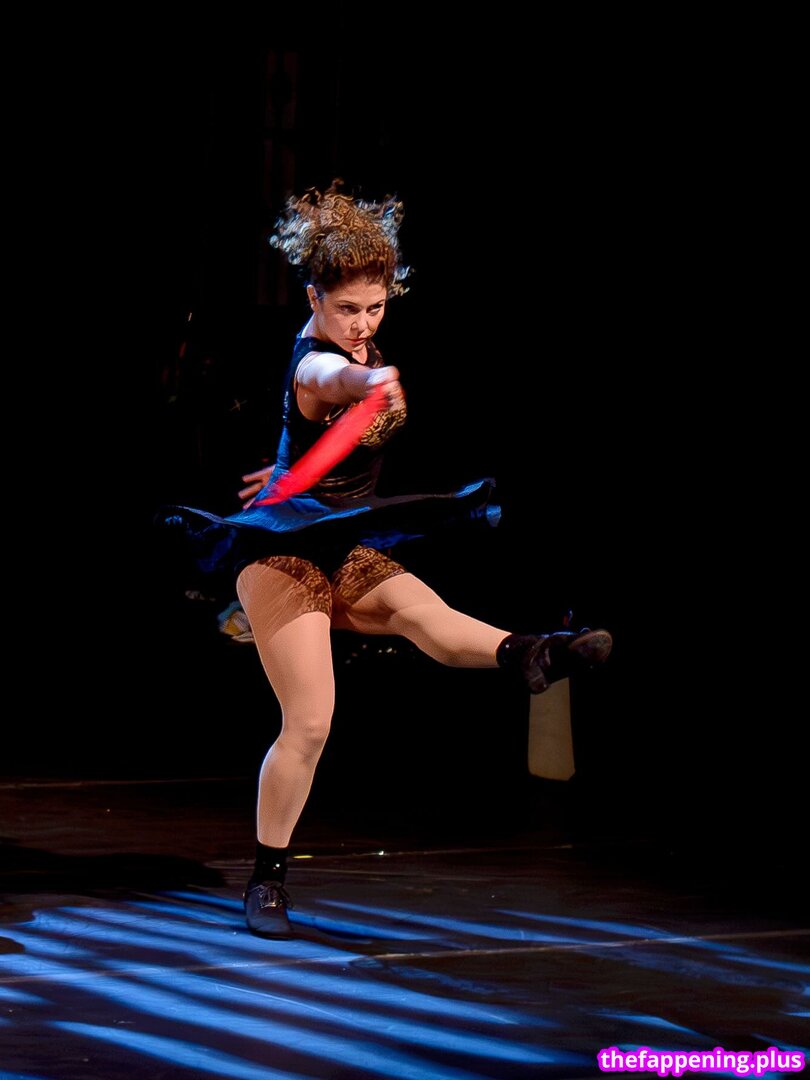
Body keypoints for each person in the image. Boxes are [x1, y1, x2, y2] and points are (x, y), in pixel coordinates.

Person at [163, 180, 612, 938]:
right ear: (314, 298)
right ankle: (267, 881)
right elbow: (327, 381)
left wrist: (291, 462)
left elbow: (330, 426)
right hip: (283, 554)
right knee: (310, 721)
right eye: (347, 309)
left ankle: (535, 653)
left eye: (375, 308)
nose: (363, 323)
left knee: (421, 611)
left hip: (343, 539)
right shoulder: (319, 361)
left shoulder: (361, 339)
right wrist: (369, 380)